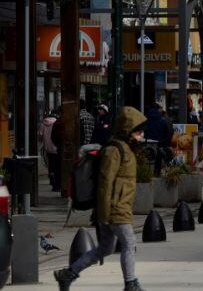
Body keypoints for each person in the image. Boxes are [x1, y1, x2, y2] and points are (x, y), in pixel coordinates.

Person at [54, 106, 148, 291]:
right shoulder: (114, 150)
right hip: (114, 209)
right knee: (129, 243)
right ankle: (130, 283)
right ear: (127, 130)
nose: (141, 135)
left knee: (105, 248)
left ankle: (68, 274)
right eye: (138, 131)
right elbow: (105, 183)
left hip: (116, 207)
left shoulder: (126, 149)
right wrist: (103, 215)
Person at [38, 111, 60, 191]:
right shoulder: (57, 123)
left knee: (50, 165)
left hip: (47, 148)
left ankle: (51, 180)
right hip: (56, 148)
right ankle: (55, 182)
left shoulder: (43, 123)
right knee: (56, 166)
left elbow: (40, 136)